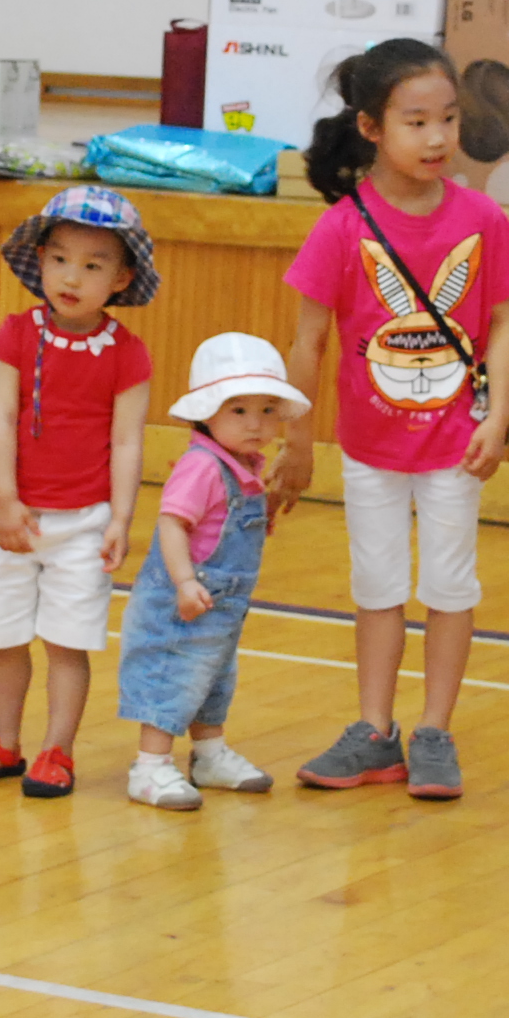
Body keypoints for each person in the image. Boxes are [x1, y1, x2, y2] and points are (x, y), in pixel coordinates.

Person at [279, 37, 509, 803]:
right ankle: (374, 731)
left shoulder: (480, 217)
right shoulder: (341, 228)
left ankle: (434, 732)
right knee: (378, 584)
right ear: (371, 128)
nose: (436, 138)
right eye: (416, 121)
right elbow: (307, 342)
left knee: (450, 585)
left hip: (455, 445)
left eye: (448, 119)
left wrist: (497, 418)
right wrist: (298, 441)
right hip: (370, 447)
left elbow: (505, 323)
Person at [0, 184, 163, 797]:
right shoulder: (14, 334)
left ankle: (57, 751)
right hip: (13, 518)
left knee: (68, 643)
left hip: (84, 523)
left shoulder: (128, 354)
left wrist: (120, 519)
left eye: (93, 266)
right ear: (39, 260)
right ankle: (4, 743)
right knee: (4, 636)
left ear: (121, 279)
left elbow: (127, 442)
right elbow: (0, 420)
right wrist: (7, 502)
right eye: (61, 259)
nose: (72, 276)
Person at [115, 334, 304, 810]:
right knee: (171, 674)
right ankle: (150, 765)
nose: (255, 423)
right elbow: (172, 524)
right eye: (238, 410)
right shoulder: (202, 465)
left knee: (213, 677)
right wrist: (184, 582)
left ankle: (209, 753)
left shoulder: (243, 465)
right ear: (206, 413)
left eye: (267, 410)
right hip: (183, 603)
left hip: (219, 608)